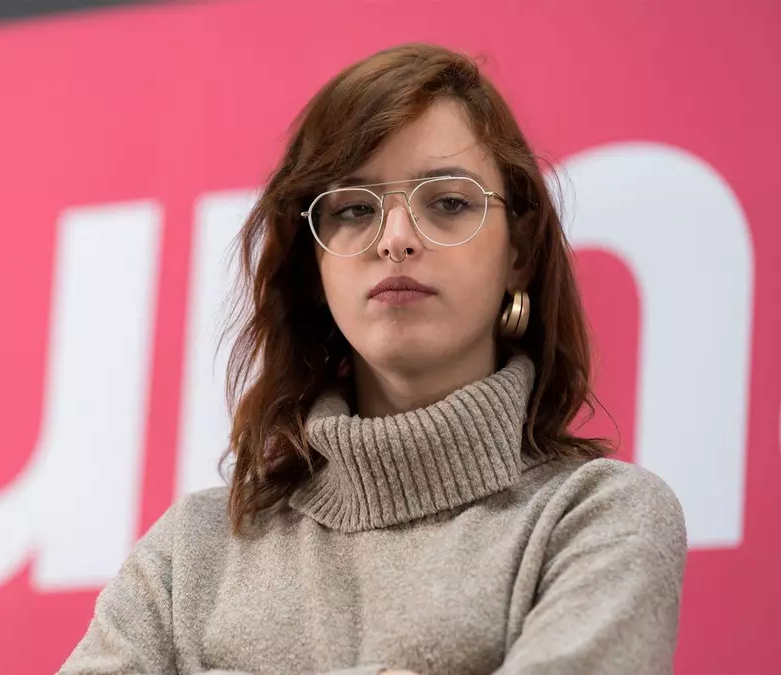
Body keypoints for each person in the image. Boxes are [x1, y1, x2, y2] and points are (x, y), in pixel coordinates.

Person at [59, 43, 687, 675]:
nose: (396, 240)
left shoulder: (598, 516)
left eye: (448, 203)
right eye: (355, 209)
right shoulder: (191, 554)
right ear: (313, 264)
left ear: (518, 253)